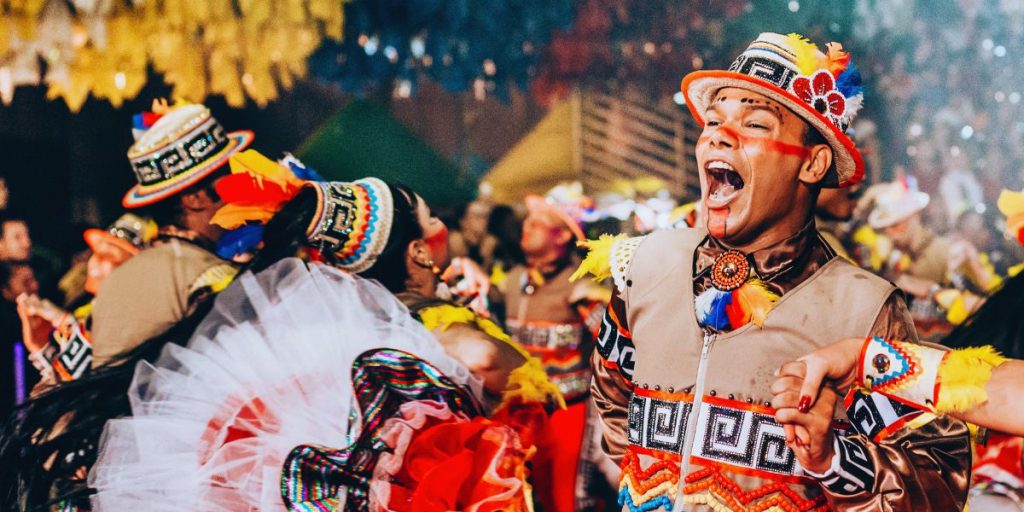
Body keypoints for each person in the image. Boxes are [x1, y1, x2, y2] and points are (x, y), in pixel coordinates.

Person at [573, 33, 970, 511]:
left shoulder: (862, 311)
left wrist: (833, 461)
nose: (718, 134)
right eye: (713, 121)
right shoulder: (645, 269)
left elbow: (938, 480)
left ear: (813, 163)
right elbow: (614, 405)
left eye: (755, 123)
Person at [86, 177, 562, 510]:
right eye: (431, 220)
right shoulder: (431, 324)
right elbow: (488, 361)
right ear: (417, 251)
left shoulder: (314, 330)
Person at [88, 100, 250, 368]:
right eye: (229, 177)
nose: (244, 185)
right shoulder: (206, 275)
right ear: (195, 198)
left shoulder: (119, 278)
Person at [498, 186, 613, 511]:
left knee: (566, 500)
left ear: (561, 236)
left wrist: (604, 301)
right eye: (527, 221)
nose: (526, 227)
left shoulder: (580, 285)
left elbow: (616, 345)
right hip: (520, 413)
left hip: (568, 414)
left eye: (538, 222)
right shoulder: (513, 279)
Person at [868, 178, 999, 338]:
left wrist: (973, 264)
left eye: (896, 225)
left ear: (914, 216)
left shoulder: (946, 251)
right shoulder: (893, 257)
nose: (891, 234)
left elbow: (989, 299)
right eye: (885, 229)